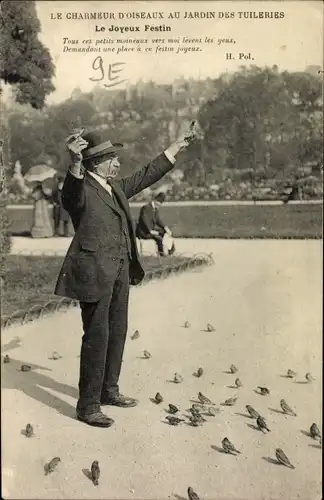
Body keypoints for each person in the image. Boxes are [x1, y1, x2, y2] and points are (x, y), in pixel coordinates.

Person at [54, 124, 197, 428]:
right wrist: (75, 162)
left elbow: (147, 174)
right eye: (110, 159)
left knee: (117, 331)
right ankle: (88, 405)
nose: (117, 163)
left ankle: (109, 391)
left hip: (119, 269)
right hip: (94, 273)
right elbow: (70, 197)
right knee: (97, 335)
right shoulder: (81, 188)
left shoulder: (114, 187)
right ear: (94, 163)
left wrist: (174, 148)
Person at [136, 192, 175, 256]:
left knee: (167, 234)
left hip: (151, 231)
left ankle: (171, 252)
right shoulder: (146, 208)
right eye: (159, 204)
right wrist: (151, 231)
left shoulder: (155, 209)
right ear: (156, 201)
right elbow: (144, 221)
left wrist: (166, 228)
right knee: (159, 238)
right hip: (144, 232)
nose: (159, 206)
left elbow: (158, 220)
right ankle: (162, 255)